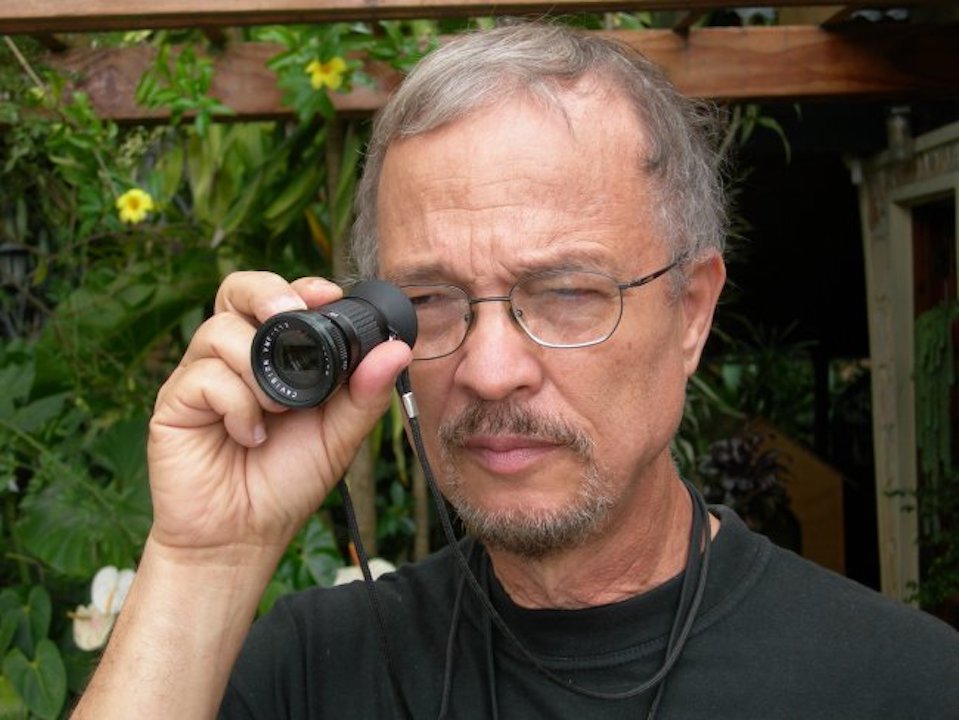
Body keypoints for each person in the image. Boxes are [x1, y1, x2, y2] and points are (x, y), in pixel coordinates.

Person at [74, 22, 959, 720]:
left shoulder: (907, 684)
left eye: (567, 293)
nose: (491, 371)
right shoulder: (312, 667)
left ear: (690, 311)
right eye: (431, 300)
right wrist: (204, 561)